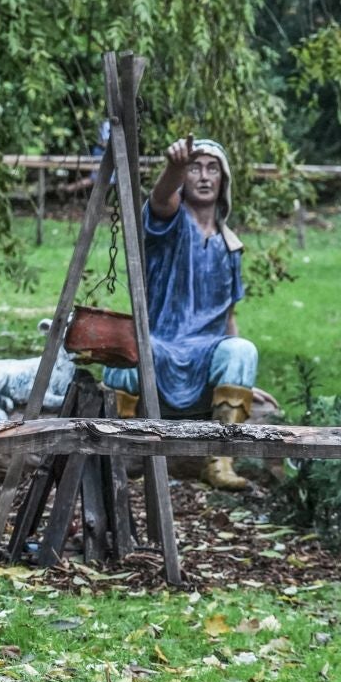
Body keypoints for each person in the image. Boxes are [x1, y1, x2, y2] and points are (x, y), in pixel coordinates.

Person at [100, 135, 259, 491]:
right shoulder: (169, 226)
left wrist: (242, 376)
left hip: (205, 354)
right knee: (131, 352)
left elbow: (228, 315)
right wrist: (172, 167)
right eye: (194, 167)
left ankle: (219, 459)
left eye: (212, 168)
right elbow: (159, 200)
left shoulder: (230, 245)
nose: (203, 176)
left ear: (223, 179)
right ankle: (121, 451)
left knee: (243, 350)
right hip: (161, 345)